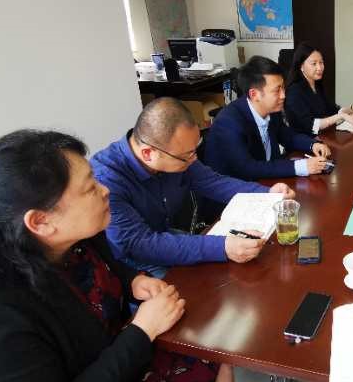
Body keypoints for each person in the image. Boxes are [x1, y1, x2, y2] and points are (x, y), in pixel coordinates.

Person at [0, 130, 237, 382]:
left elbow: (112, 267)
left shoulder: (77, 238)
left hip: (115, 368)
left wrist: (134, 281)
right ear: (41, 221)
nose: (105, 190)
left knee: (214, 357)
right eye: (89, 188)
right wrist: (141, 331)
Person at [91, 97, 295, 277]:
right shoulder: (107, 180)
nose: (194, 159)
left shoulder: (178, 154)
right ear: (148, 154)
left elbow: (213, 182)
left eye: (195, 150)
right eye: (187, 155)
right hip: (132, 262)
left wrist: (268, 193)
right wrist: (222, 247)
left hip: (166, 236)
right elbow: (139, 244)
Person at [204, 56, 332, 180]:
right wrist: (302, 166)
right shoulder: (229, 123)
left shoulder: (272, 109)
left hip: (268, 181)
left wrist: (312, 144)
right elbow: (247, 168)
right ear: (254, 94)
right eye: (277, 90)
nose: (283, 95)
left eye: (283, 88)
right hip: (238, 188)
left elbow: (288, 136)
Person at [285, 41, 353, 135]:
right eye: (314, 63)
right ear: (301, 66)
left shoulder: (317, 85)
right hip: (304, 140)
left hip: (322, 136)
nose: (319, 68)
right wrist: (341, 116)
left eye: (321, 62)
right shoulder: (294, 92)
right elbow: (310, 125)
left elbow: (333, 110)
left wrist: (351, 108)